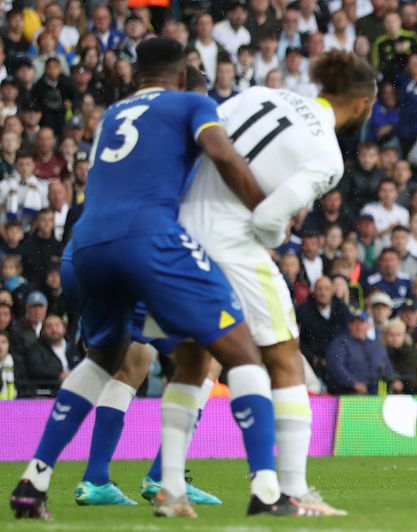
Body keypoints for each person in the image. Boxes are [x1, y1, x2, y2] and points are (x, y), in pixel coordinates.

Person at [8, 38, 291, 520]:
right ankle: (267, 489)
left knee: (104, 357)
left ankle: (35, 479)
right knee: (241, 351)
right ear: (182, 76)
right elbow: (221, 155)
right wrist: (265, 208)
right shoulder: (192, 102)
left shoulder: (114, 114)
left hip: (85, 245)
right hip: (149, 238)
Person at [167, 49, 375, 515]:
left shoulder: (259, 94)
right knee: (284, 356)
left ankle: (169, 485)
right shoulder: (326, 154)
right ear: (361, 104)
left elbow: (199, 141)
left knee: (193, 359)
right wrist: (276, 232)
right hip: (232, 242)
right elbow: (267, 218)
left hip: (178, 230)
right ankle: (292, 490)